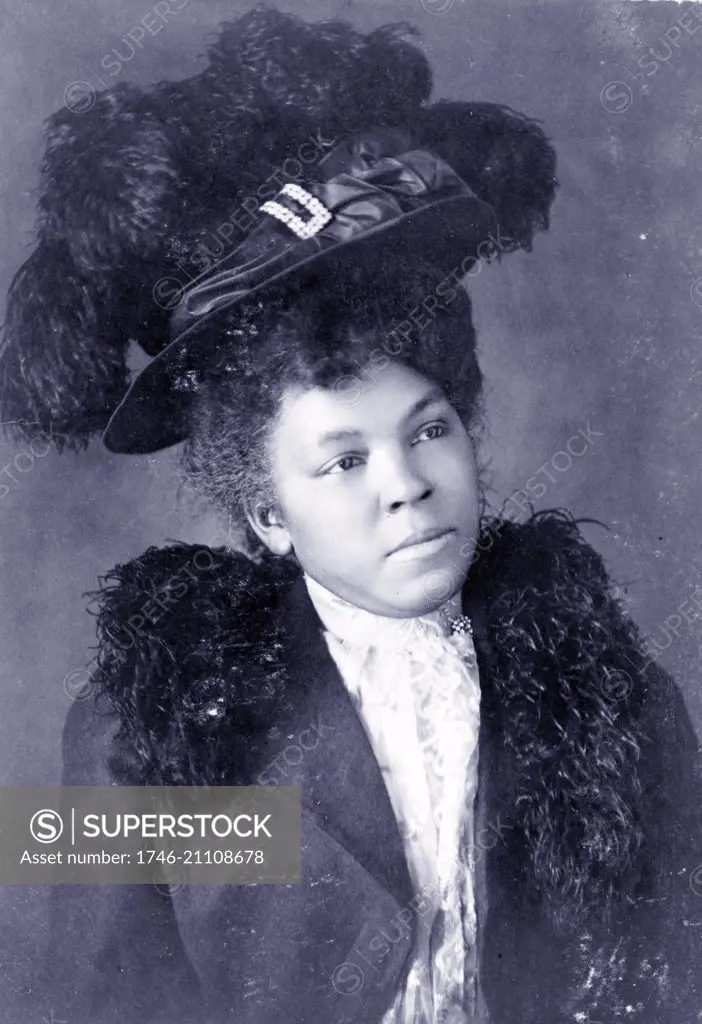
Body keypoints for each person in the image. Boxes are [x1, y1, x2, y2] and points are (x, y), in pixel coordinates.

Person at [1, 6, 699, 1023]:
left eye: (429, 431)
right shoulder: (154, 740)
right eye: (341, 461)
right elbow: (105, 1000)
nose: (406, 485)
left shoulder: (612, 696)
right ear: (267, 511)